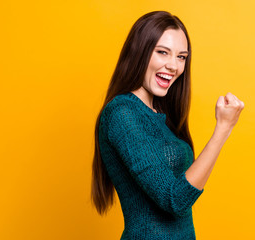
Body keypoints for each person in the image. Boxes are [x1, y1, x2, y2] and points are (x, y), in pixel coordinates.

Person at [91, 11, 244, 239]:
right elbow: (175, 199)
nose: (174, 66)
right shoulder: (122, 113)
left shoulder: (162, 115)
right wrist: (223, 129)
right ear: (139, 52)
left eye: (181, 57)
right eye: (163, 52)